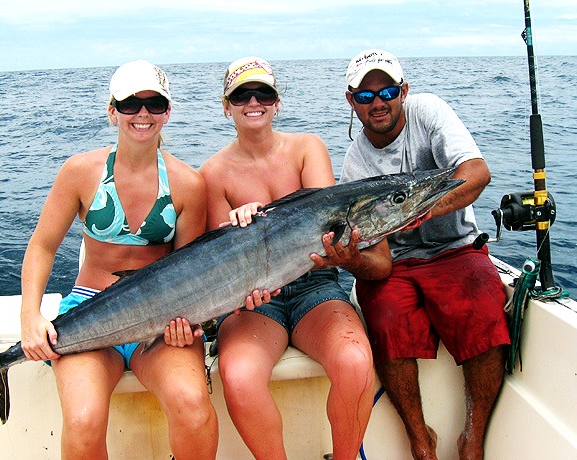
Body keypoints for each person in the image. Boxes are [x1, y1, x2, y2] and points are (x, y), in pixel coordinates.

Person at [19, 59, 219, 460]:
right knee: (83, 421)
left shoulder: (188, 184)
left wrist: (189, 323)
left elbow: (190, 272)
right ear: (113, 111)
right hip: (88, 309)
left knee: (194, 408)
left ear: (167, 112)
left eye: (154, 104)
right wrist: (30, 315)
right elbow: (41, 246)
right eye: (131, 104)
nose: (142, 114)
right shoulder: (80, 172)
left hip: (162, 319)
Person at [199, 56, 390, 460]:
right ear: (226, 105)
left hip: (313, 284)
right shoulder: (213, 173)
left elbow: (326, 224)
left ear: (277, 101)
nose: (254, 101)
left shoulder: (307, 148)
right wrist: (237, 225)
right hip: (253, 300)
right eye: (242, 95)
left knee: (356, 362)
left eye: (263, 93)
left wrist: (267, 218)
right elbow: (221, 265)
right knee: (238, 376)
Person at [324, 49, 510, 460]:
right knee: (386, 318)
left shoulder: (428, 111)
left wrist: (421, 208)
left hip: (455, 248)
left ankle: (473, 439)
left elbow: (477, 173)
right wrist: (350, 259)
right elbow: (381, 261)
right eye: (366, 95)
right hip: (398, 262)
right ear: (350, 101)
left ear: (404, 91)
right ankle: (419, 440)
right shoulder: (356, 164)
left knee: (483, 306)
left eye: (388, 90)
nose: (379, 102)